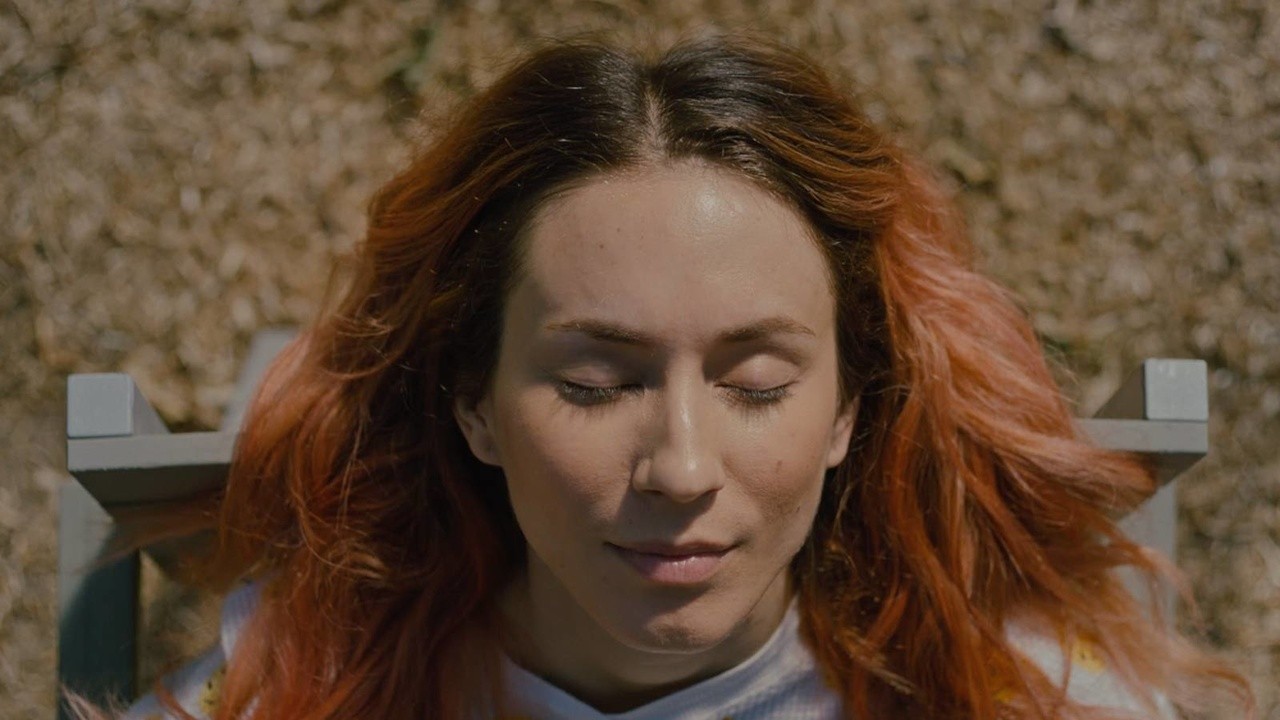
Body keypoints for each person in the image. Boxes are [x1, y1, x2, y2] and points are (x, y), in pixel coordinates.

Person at [77, 33, 1252, 720]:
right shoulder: (309, 685)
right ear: (472, 402)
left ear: (847, 410)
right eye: (595, 382)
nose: (680, 468)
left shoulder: (1014, 697)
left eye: (756, 382)